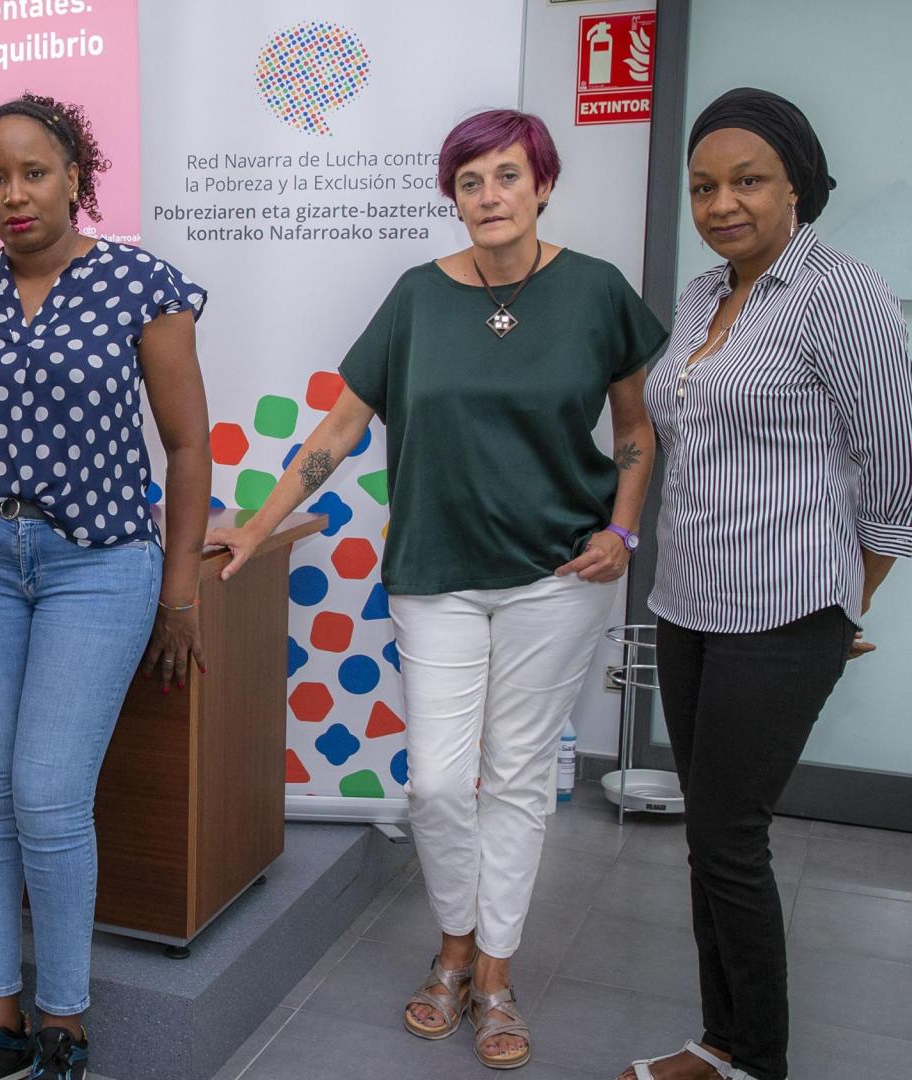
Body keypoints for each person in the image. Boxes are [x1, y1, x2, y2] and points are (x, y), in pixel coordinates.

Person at [208, 109, 666, 1069]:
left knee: (520, 778)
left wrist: (622, 528)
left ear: (543, 184)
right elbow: (339, 430)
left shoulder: (595, 292)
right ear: (450, 195)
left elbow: (635, 425)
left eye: (507, 176)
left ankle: (484, 968)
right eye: (470, 180)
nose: (489, 196)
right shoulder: (418, 297)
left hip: (558, 576)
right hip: (434, 573)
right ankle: (455, 936)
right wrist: (255, 524)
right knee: (442, 781)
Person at [621, 88, 912, 1080]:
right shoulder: (705, 296)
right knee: (709, 842)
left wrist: (846, 603)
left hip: (786, 611)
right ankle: (721, 1040)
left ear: (797, 184)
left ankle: (751, 1054)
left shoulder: (843, 294)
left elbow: (896, 474)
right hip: (688, 605)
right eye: (704, 185)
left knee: (729, 837)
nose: (721, 203)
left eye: (747, 181)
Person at [0, 93, 212, 1080]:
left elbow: (185, 446)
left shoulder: (142, 284)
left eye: (34, 171)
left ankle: (65, 1024)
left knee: (46, 795)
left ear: (79, 175)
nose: (14, 194)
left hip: (100, 564)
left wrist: (180, 593)